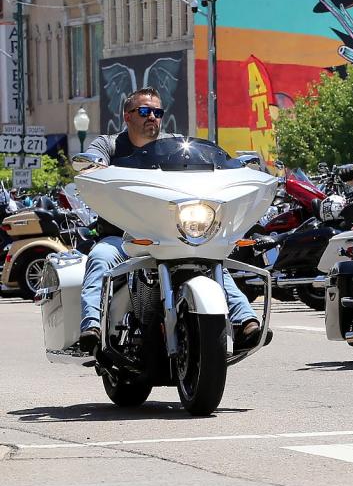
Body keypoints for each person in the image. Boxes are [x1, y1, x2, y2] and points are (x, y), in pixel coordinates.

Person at [77, 87, 263, 353]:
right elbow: (92, 165)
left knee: (211, 259)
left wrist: (233, 166)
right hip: (124, 237)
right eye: (143, 111)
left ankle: (245, 321)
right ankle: (92, 327)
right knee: (100, 258)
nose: (151, 116)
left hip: (171, 235)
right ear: (127, 116)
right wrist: (94, 165)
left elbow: (208, 165)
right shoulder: (109, 145)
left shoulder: (175, 146)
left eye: (157, 112)